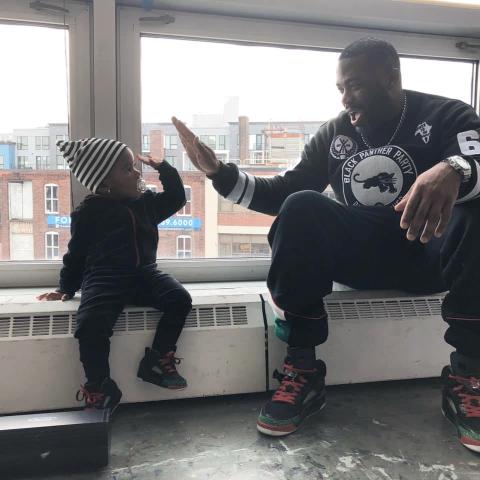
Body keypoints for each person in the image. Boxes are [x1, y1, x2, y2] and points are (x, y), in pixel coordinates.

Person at [172, 38, 480, 451]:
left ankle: (468, 374)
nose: (346, 98)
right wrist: (219, 174)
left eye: (355, 86)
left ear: (391, 77)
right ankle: (303, 368)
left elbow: (476, 157)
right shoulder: (335, 132)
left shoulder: (447, 114)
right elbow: (282, 194)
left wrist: (454, 168)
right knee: (302, 205)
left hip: (430, 256)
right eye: (340, 88)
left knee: (476, 209)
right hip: (362, 261)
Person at [38, 138, 192, 413]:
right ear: (105, 182)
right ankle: (98, 385)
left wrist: (165, 168)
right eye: (127, 169)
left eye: (134, 167)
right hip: (104, 277)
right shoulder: (89, 212)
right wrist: (66, 287)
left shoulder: (146, 204)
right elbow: (76, 254)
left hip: (143, 274)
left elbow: (177, 198)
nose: (136, 173)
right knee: (90, 324)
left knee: (179, 299)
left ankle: (156, 361)